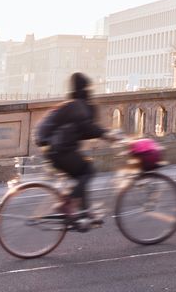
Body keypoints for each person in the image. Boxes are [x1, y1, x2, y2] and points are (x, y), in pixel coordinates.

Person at [35, 72, 116, 225]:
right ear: (85, 87)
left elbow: (82, 130)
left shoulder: (72, 104)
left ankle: (84, 213)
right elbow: (88, 128)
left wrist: (103, 134)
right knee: (88, 170)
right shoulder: (78, 106)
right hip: (61, 151)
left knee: (82, 175)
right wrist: (107, 134)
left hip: (56, 150)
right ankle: (66, 205)